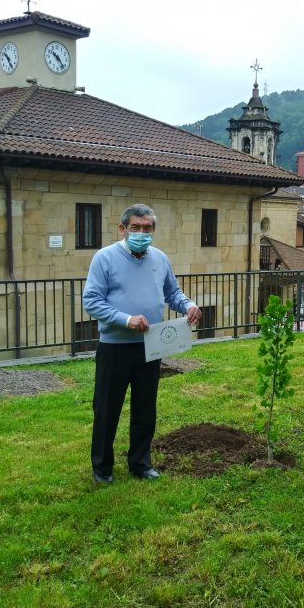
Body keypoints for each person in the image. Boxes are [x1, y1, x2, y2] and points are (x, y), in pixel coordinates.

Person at [83, 204, 202, 484]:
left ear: (153, 231)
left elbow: (172, 293)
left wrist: (188, 305)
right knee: (106, 408)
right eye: (135, 227)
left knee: (145, 408)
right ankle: (102, 467)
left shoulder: (159, 259)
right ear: (123, 229)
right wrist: (126, 320)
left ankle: (140, 463)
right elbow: (91, 301)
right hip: (115, 347)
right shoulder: (105, 258)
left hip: (150, 346)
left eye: (147, 228)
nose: (141, 232)